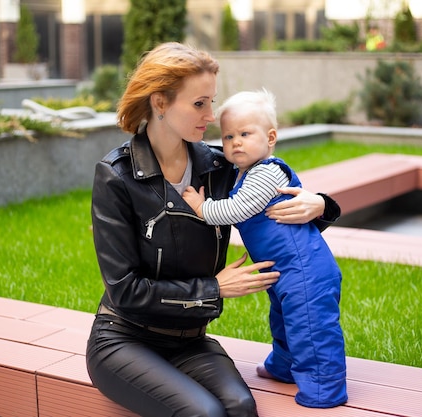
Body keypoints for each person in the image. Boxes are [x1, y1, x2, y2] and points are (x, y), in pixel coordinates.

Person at [86, 42, 341, 417]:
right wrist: (215, 288)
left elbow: (271, 193)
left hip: (191, 341)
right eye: (199, 103)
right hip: (125, 340)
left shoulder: (220, 167)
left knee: (240, 407)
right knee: (204, 413)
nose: (212, 115)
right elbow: (125, 290)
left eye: (212, 101)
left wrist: (320, 204)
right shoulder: (118, 177)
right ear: (160, 103)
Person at [182, 88, 347, 408]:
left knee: (311, 329)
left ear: (270, 138)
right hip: (285, 270)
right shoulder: (246, 171)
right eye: (228, 136)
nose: (235, 142)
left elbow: (235, 210)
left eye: (245, 133)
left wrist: (201, 208)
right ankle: (284, 366)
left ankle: (324, 389)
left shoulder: (266, 173)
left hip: (305, 270)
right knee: (285, 320)